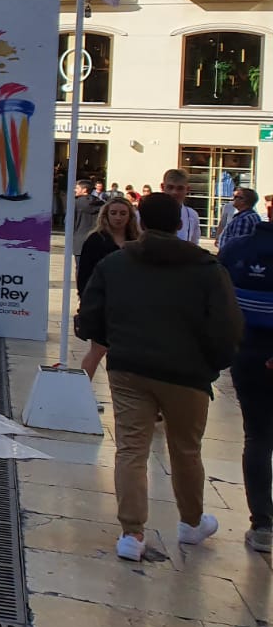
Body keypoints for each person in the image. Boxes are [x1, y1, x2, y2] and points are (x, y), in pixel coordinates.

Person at [75, 191, 242, 561]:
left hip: (129, 367)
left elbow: (90, 312)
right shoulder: (207, 268)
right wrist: (211, 364)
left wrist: (107, 339)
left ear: (142, 223)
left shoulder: (117, 263)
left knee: (131, 449)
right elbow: (227, 326)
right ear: (180, 223)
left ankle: (132, 534)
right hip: (187, 374)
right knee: (186, 448)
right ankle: (191, 522)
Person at [218, 205, 273, 553]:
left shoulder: (235, 250)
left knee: (258, 436)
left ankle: (263, 524)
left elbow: (216, 304)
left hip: (247, 354)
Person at [76, 195, 141, 377]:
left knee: (125, 354)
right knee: (98, 349)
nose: (118, 217)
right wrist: (85, 301)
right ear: (106, 215)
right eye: (114, 213)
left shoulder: (136, 241)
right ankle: (82, 392)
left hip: (129, 305)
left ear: (130, 216)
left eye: (122, 213)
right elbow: (84, 274)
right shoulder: (96, 240)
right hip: (102, 303)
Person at [160, 168, 202, 244]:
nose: (174, 192)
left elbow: (194, 245)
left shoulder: (192, 216)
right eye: (170, 187)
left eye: (180, 188)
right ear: (163, 187)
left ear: (187, 189)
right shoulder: (148, 212)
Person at [70, 179, 99, 252]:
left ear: (84, 190)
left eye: (77, 188)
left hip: (79, 241)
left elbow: (69, 222)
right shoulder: (101, 203)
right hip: (97, 240)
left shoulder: (75, 204)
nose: (74, 190)